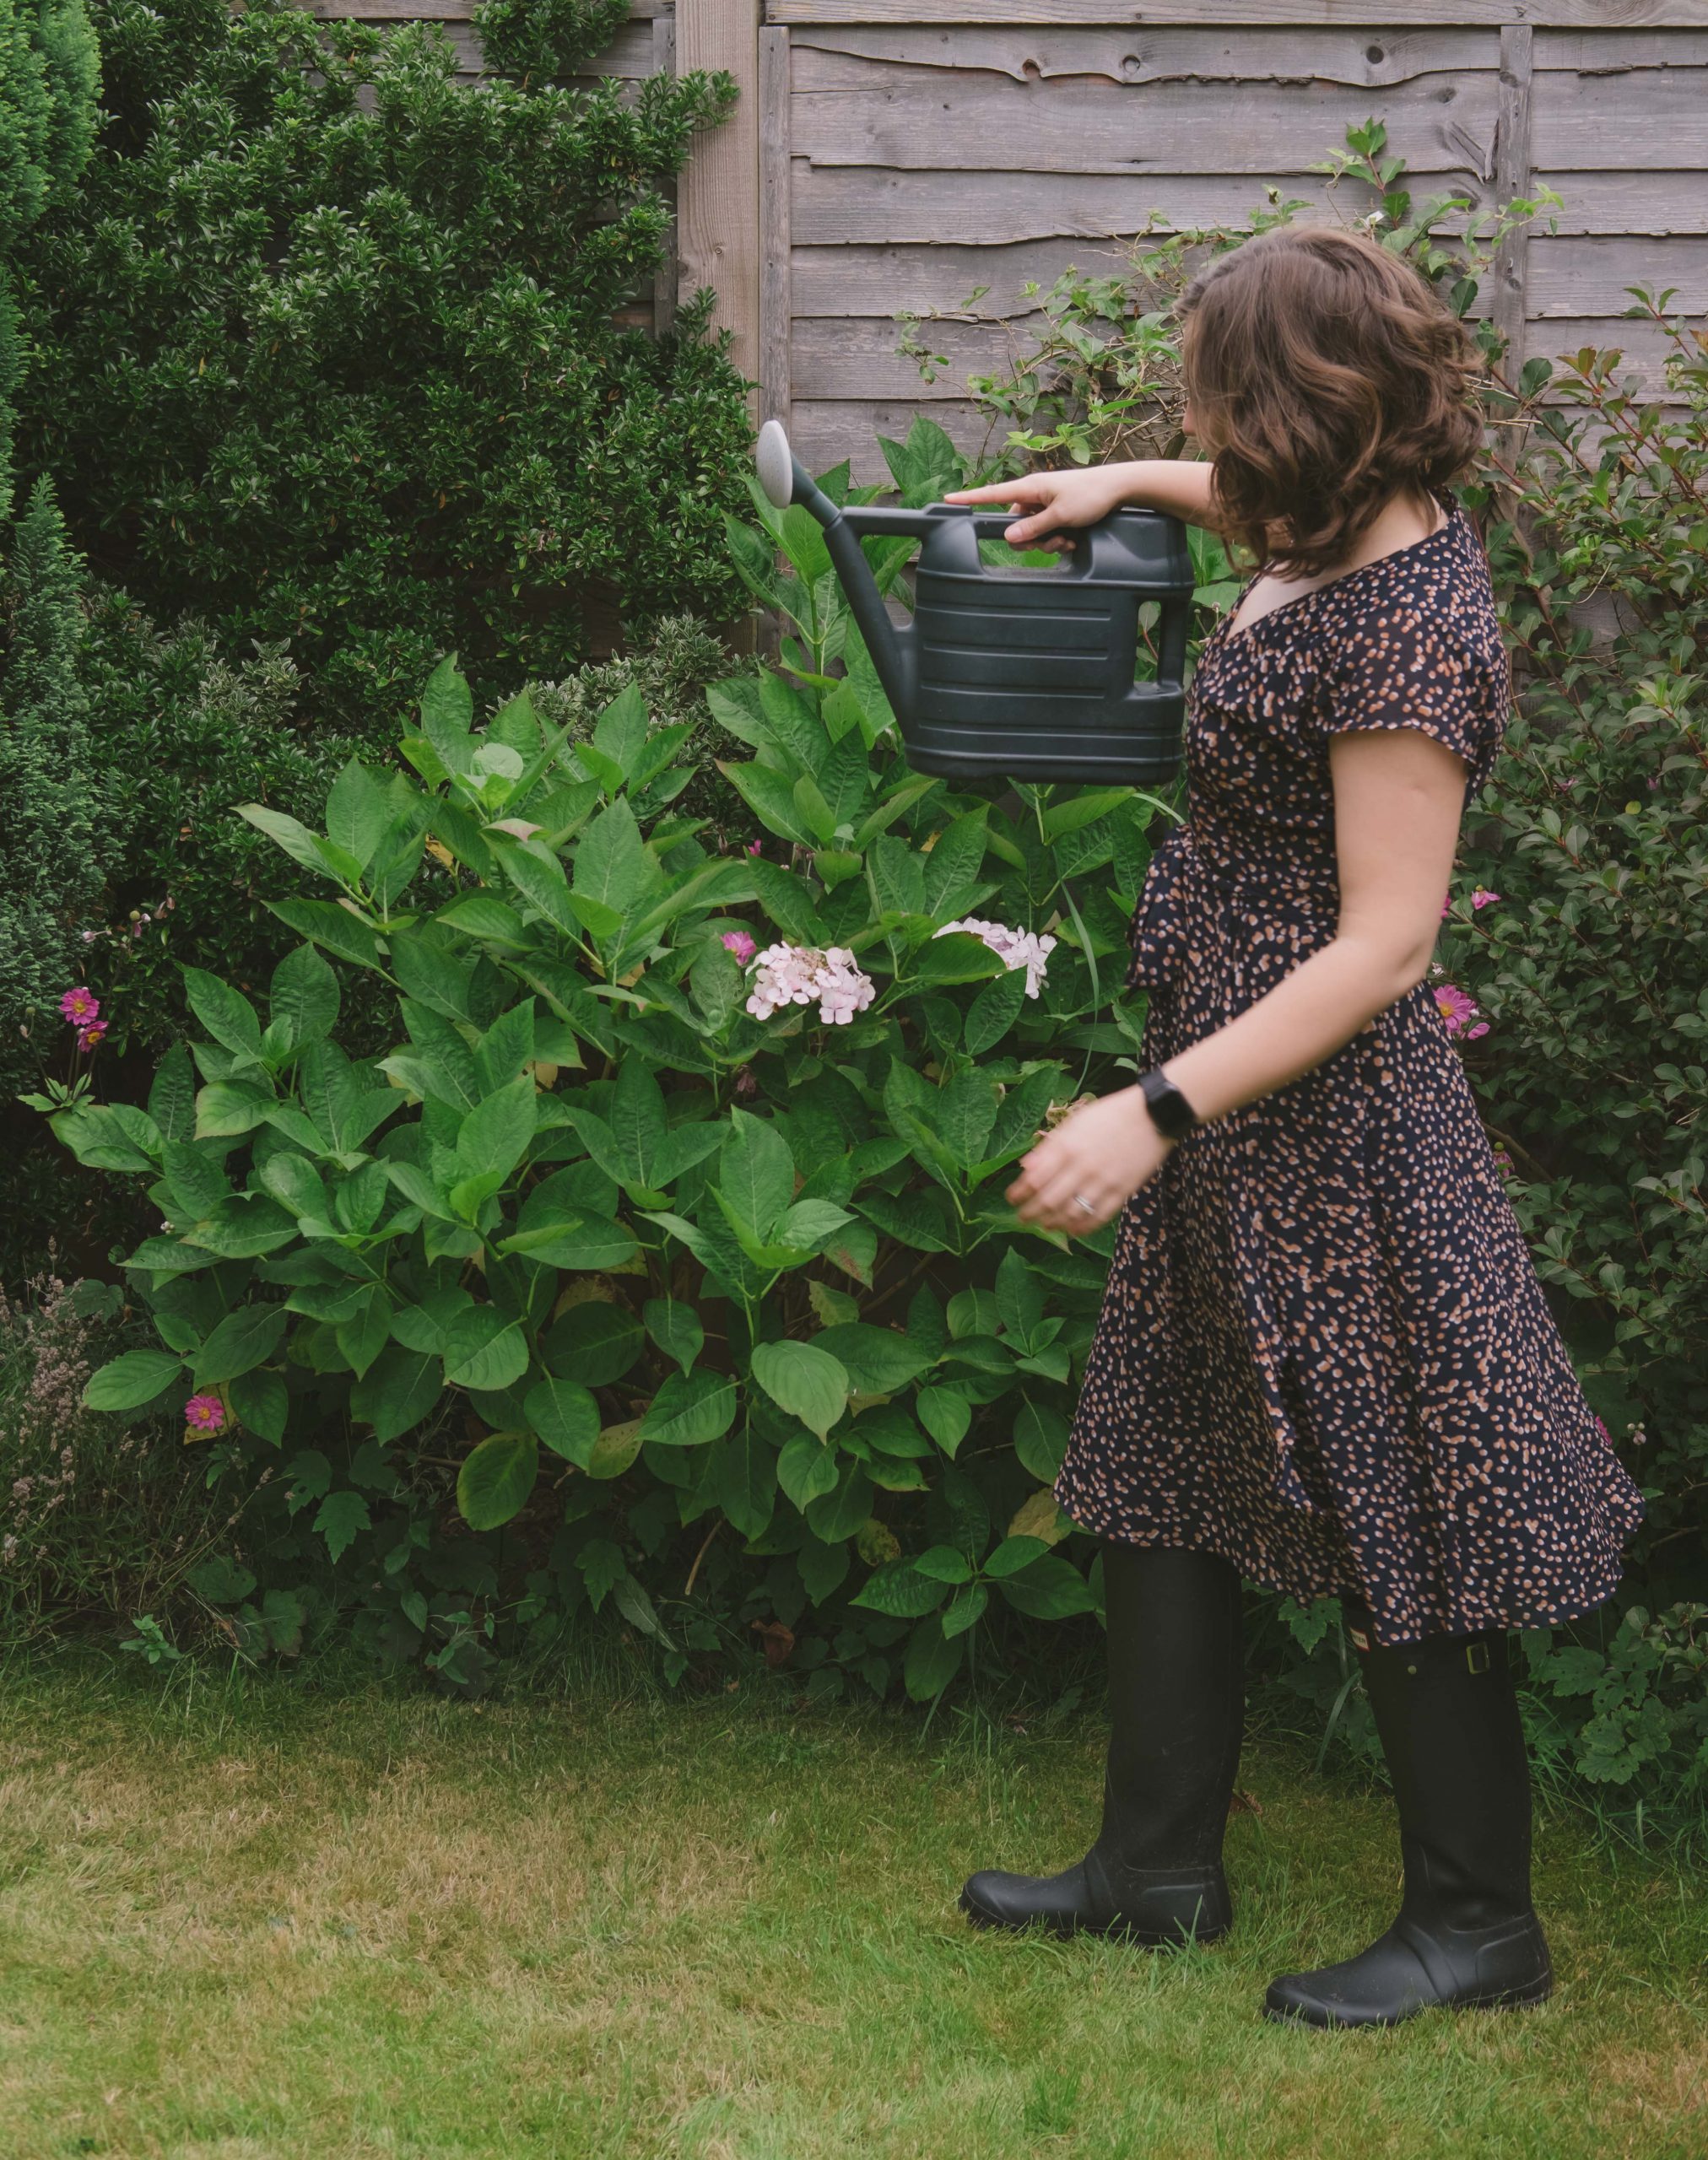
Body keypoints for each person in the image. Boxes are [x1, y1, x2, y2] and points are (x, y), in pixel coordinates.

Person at [939, 226, 1646, 2030]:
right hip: (1229, 1092)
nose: (1191, 422)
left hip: (1323, 1120)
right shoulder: (1325, 523)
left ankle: (1480, 1920)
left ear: (1298, 406)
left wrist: (1154, 1106)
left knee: (1399, 1482)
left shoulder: (1411, 621)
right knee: (1165, 1452)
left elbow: (1389, 944)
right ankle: (1156, 1865)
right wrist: (1127, 482)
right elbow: (1242, 504)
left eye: (1206, 400)